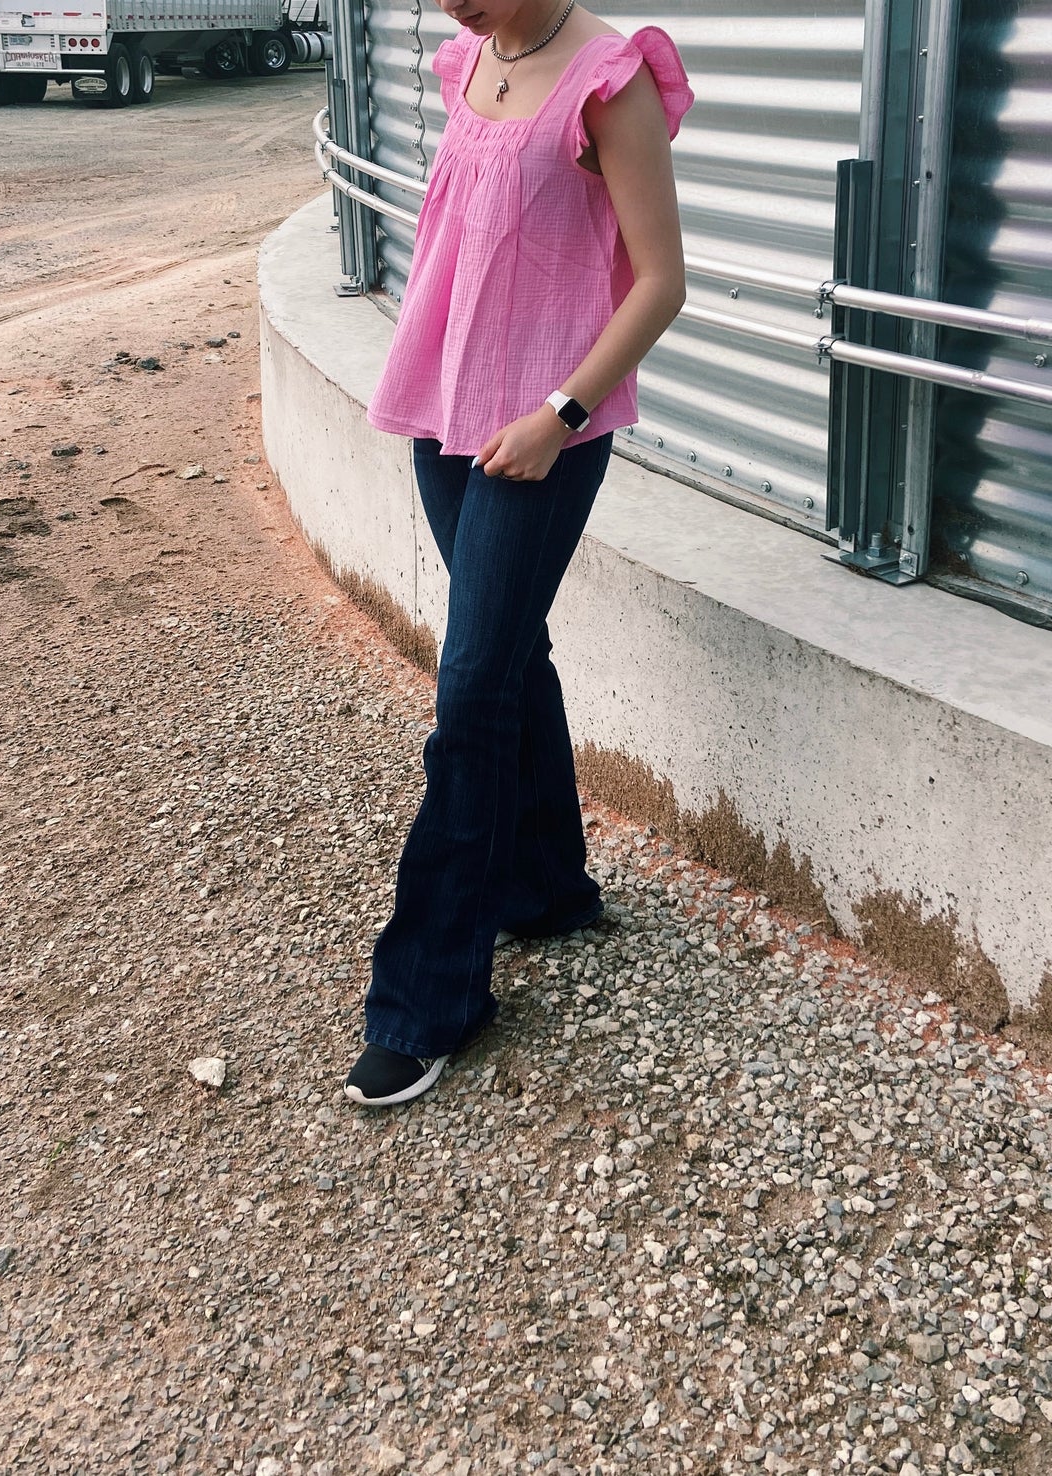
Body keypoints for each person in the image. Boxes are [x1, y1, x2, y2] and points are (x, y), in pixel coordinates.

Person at [344, 0, 693, 1107]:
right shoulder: (466, 61)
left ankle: (425, 999)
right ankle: (545, 888)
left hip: (543, 434)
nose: (450, 0)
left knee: (471, 691)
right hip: (445, 413)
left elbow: (659, 279)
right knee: (503, 661)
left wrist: (560, 412)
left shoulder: (610, 77)